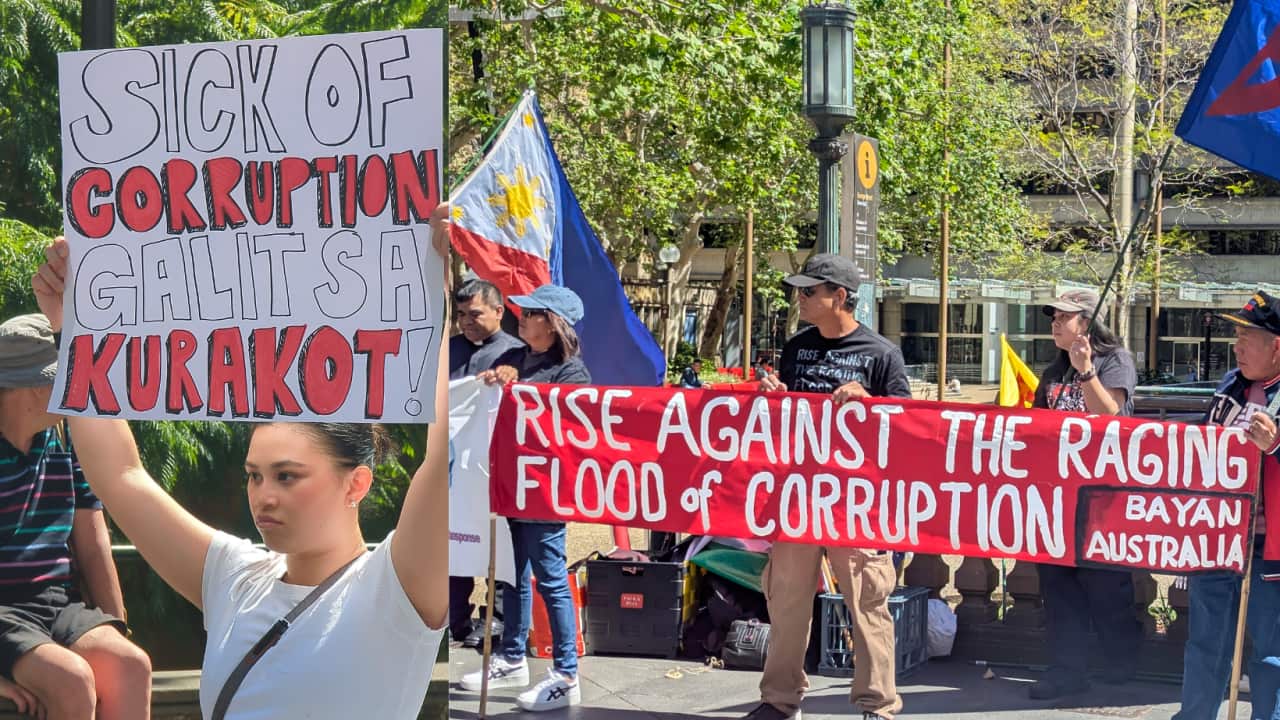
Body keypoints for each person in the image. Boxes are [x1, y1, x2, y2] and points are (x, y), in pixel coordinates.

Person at [32, 236, 449, 719]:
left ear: (355, 484)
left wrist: (443, 293)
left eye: (287, 477)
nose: (263, 496)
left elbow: (445, 458)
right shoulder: (234, 576)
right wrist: (74, 327)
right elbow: (121, 475)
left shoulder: (398, 587)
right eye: (254, 476)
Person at [746, 253, 910, 720]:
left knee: (867, 603)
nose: (799, 298)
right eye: (799, 290)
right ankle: (779, 700)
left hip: (857, 500)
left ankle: (878, 705)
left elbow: (905, 426)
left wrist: (869, 402)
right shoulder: (797, 347)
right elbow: (790, 421)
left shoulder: (881, 353)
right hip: (800, 496)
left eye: (809, 291)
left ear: (839, 297)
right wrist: (775, 400)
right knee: (787, 602)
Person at [0, 313, 150, 719]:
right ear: (28, 388)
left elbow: (93, 541)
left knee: (131, 665)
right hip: (2, 612)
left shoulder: (67, 439)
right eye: (60, 379)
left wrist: (114, 626)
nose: (74, 388)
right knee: (72, 679)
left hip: (56, 604)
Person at [458, 283, 589, 712]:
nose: (523, 319)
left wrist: (522, 390)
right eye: (524, 312)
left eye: (532, 314)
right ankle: (512, 657)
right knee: (512, 575)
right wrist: (494, 381)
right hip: (509, 486)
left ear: (553, 325)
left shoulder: (571, 372)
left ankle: (566, 673)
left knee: (551, 580)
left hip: (545, 492)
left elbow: (569, 429)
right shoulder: (512, 357)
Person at [1029, 288, 1141, 699]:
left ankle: (1120, 662)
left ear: (1088, 324)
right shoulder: (1053, 371)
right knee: (1057, 587)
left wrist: (1087, 371)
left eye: (1064, 317)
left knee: (1106, 586)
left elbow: (1113, 417)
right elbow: (1038, 427)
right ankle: (1066, 671)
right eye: (1053, 317)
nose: (1055, 323)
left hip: (1103, 497)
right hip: (1057, 497)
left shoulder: (1117, 361)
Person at [1174, 290, 1280, 720]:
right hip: (1217, 542)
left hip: (1267, 547)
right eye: (1236, 335)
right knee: (1205, 645)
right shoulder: (1230, 386)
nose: (1237, 346)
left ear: (1277, 345)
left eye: (1247, 336)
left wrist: (1274, 446)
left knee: (1271, 656)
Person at [448, 278, 525, 646]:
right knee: (453, 543)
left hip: (496, 470)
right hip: (453, 472)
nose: (466, 321)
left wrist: (512, 379)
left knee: (498, 545)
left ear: (498, 311)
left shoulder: (517, 355)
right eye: (460, 314)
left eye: (474, 313)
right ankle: (454, 618)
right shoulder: (447, 351)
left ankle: (495, 619)